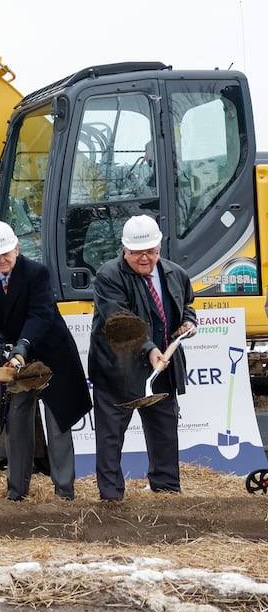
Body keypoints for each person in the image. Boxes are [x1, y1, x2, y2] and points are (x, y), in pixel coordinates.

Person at [0, 221, 91, 501]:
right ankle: (17, 493)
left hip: (52, 355)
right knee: (16, 423)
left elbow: (40, 315)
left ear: (17, 248)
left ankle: (64, 493)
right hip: (16, 361)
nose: (1, 260)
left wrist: (23, 347)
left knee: (58, 424)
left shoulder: (38, 272)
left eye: (6, 253)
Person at [88, 214, 195, 501]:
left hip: (160, 371)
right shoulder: (108, 276)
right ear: (125, 250)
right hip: (117, 370)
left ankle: (166, 488)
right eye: (136, 253)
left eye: (150, 251)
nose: (144, 258)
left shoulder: (176, 273)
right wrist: (149, 349)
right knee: (111, 437)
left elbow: (187, 306)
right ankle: (111, 497)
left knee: (164, 432)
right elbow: (121, 320)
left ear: (160, 247)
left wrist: (187, 323)